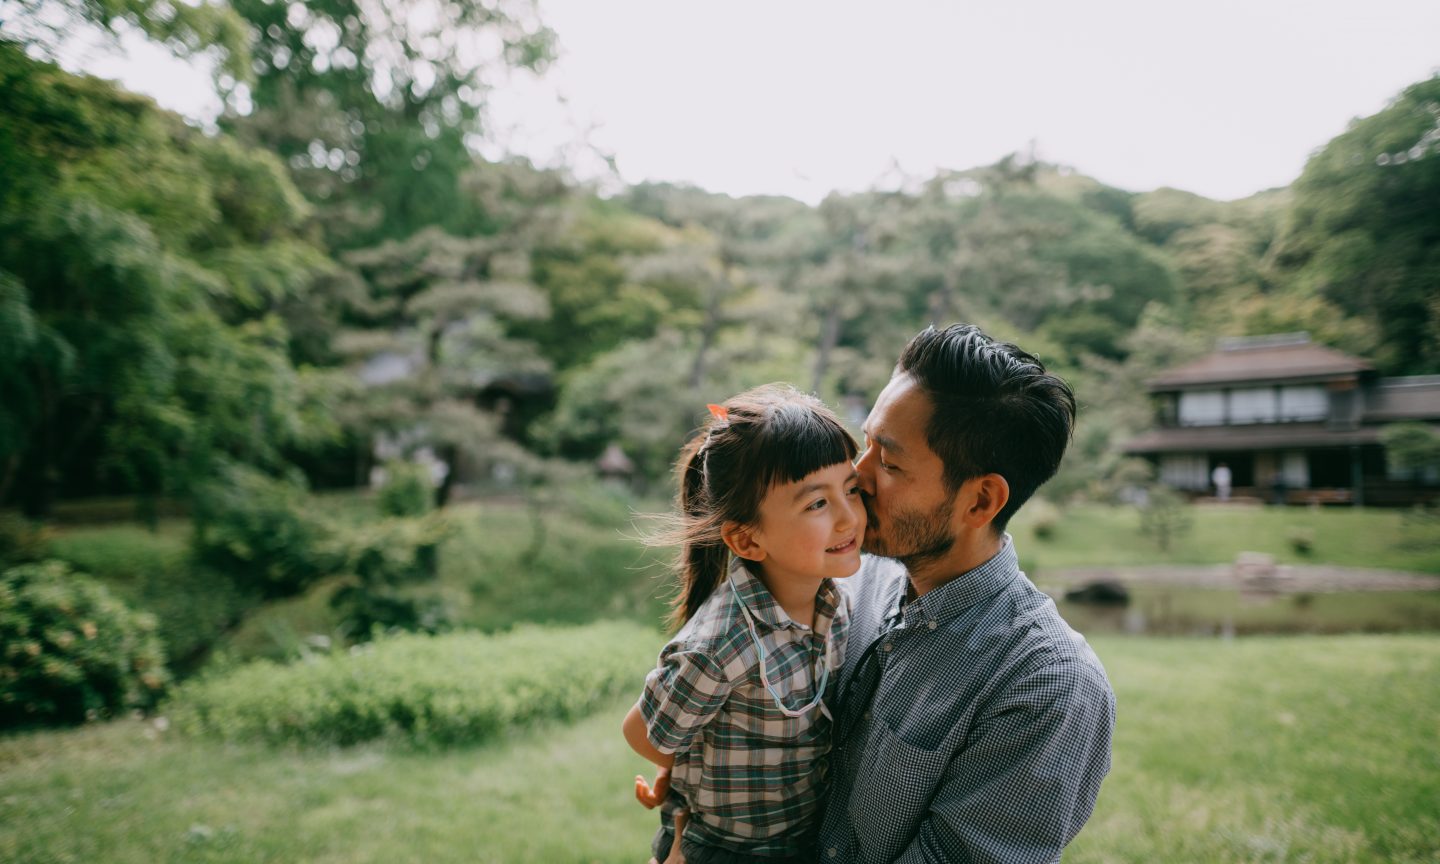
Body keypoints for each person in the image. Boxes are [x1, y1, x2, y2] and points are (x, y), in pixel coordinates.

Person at [816, 324, 1116, 864]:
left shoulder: (1046, 688)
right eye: (866, 444)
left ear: (981, 501)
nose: (854, 478)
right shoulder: (852, 579)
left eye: (888, 462)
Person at [622, 384, 865, 864]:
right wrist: (685, 786)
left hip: (800, 840)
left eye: (852, 490)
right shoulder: (721, 644)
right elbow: (643, 732)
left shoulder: (836, 603)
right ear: (747, 541)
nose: (848, 517)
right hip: (723, 849)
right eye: (817, 503)